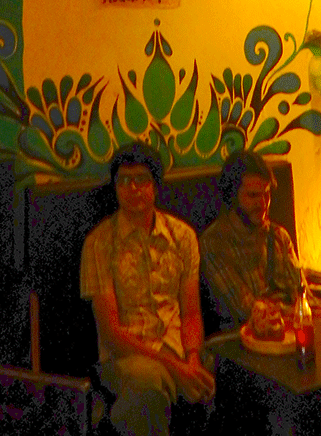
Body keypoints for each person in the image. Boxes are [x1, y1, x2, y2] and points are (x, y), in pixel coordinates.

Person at [80, 141, 215, 436]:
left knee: (225, 371)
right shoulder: (99, 244)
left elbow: (191, 313)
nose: (133, 188)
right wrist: (176, 368)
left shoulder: (182, 236)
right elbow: (112, 333)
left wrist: (192, 359)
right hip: (126, 356)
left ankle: (116, 421)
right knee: (149, 383)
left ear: (155, 185)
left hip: (179, 347)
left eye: (141, 179)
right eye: (124, 181)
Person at [200, 150, 300, 330]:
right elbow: (246, 308)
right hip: (243, 337)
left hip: (289, 331)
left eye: (266, 195)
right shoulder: (214, 243)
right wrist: (289, 311)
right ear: (233, 196)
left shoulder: (279, 236)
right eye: (253, 195)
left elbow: (300, 293)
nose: (262, 204)